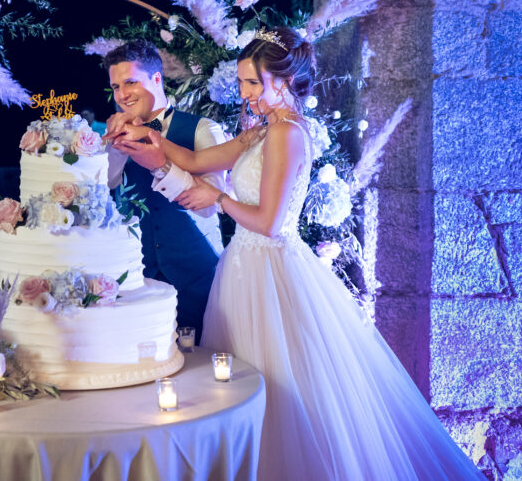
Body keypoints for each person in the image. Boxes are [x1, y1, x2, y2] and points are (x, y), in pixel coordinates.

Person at [115, 27, 483, 479]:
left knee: (282, 388)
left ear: (283, 81)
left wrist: (219, 201)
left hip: (274, 273)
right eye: (243, 83)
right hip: (242, 270)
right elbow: (193, 162)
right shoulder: (260, 133)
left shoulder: (289, 134)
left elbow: (270, 223)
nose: (245, 94)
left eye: (253, 83)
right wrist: (143, 137)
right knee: (237, 387)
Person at [101, 40, 229, 342]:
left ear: (157, 79)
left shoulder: (202, 130)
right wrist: (116, 148)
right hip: (137, 279)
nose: (121, 94)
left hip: (197, 275)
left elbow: (211, 205)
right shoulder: (114, 133)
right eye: (116, 86)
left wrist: (161, 165)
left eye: (130, 82)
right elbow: (103, 187)